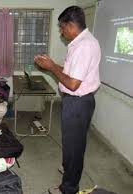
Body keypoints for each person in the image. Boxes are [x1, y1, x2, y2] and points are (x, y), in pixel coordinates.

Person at [34, 6, 101, 194]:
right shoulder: (81, 43)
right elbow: (73, 73)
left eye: (62, 28)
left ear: (71, 25)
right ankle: (69, 171)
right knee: (72, 143)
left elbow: (72, 84)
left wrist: (52, 67)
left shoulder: (84, 46)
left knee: (74, 147)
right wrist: (51, 66)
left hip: (77, 103)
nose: (61, 32)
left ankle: (69, 187)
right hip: (76, 102)